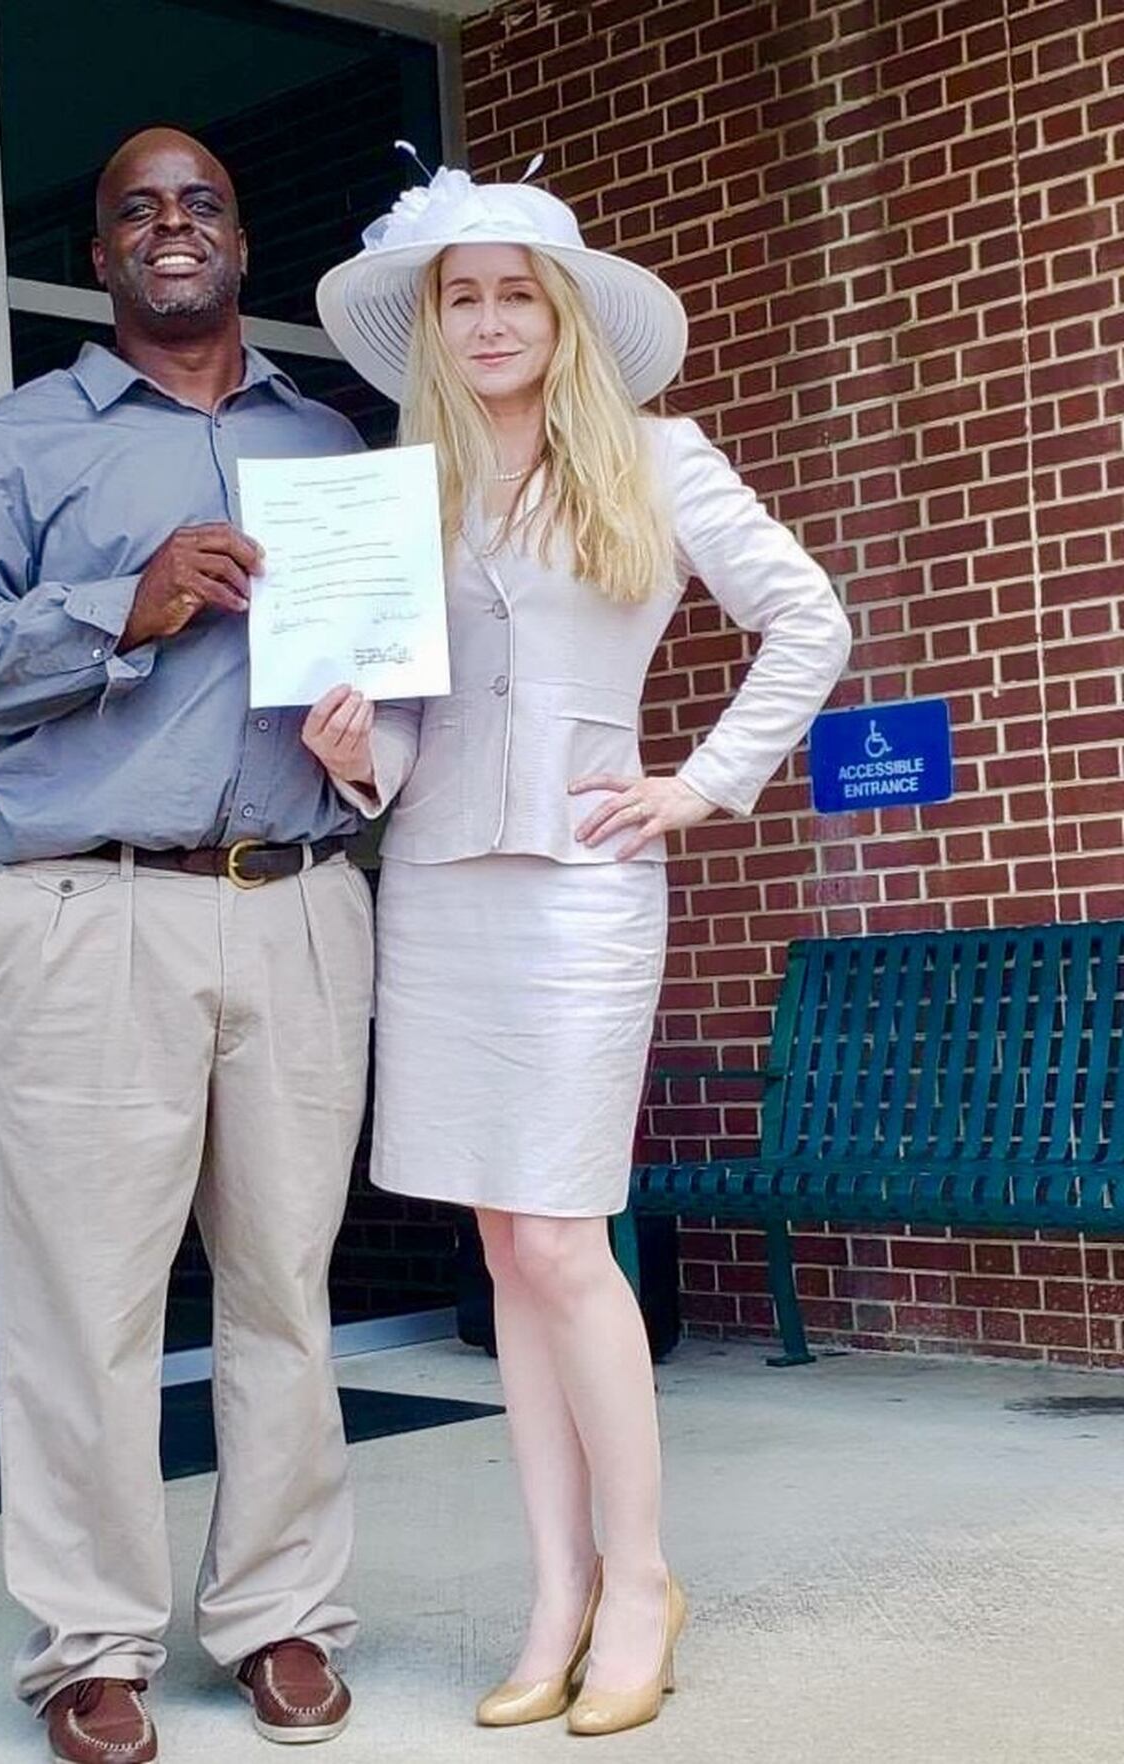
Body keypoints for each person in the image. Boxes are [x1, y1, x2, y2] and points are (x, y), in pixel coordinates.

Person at [309, 167, 852, 1736]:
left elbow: (807, 620)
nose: (488, 320)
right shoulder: (399, 484)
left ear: (560, 314)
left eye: (515, 292)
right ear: (433, 323)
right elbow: (405, 725)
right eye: (461, 295)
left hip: (581, 885)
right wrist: (356, 753)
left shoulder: (662, 459)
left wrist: (699, 784)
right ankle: (551, 1588)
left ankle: (640, 1576)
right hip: (435, 886)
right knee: (501, 1252)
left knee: (564, 1241)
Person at [0, 128, 374, 1764]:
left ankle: (281, 1616)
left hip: (303, 901)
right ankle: (92, 1642)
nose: (173, 229)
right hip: (91, 906)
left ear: (244, 241)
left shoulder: (334, 445)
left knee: (285, 1289)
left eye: (203, 205)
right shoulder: (14, 447)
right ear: (99, 260)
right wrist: (124, 600)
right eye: (137, 212)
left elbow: (401, 675)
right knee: (86, 1305)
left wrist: (389, 727)